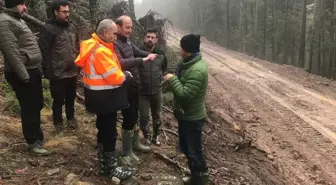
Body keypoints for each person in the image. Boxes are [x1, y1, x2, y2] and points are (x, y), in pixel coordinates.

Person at [75, 19, 133, 180]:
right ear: (106, 32)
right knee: (109, 132)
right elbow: (114, 77)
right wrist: (127, 76)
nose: (116, 36)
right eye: (114, 33)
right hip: (106, 98)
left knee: (103, 129)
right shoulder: (100, 51)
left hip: (97, 97)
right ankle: (110, 167)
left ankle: (103, 161)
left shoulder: (93, 46)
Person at [0, 0, 48, 154]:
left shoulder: (16, 19)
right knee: (29, 107)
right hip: (22, 72)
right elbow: (11, 52)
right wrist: (24, 76)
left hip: (31, 69)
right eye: (22, 4)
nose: (25, 7)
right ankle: (32, 142)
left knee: (37, 104)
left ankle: (37, 137)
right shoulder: (4, 22)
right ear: (14, 5)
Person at [163, 34, 209, 185]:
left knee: (194, 150)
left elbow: (185, 96)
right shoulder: (188, 63)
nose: (180, 50)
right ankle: (195, 177)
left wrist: (172, 79)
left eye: (182, 48)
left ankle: (201, 179)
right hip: (185, 115)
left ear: (188, 50)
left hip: (193, 118)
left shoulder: (196, 70)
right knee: (187, 147)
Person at [114, 15, 156, 164]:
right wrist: (141, 60)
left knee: (135, 115)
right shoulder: (115, 43)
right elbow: (121, 63)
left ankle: (135, 143)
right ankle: (127, 151)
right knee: (128, 116)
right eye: (127, 27)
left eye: (131, 27)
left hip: (135, 84)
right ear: (118, 27)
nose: (130, 30)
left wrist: (150, 55)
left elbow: (137, 51)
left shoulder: (127, 41)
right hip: (125, 87)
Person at [39, 0, 79, 132]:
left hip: (72, 71)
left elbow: (77, 47)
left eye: (68, 11)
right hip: (57, 72)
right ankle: (58, 124)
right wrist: (48, 72)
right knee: (58, 100)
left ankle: (71, 119)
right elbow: (44, 51)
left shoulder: (72, 27)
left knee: (71, 98)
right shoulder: (48, 28)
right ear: (56, 12)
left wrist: (79, 64)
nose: (67, 14)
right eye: (64, 11)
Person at [138, 28, 167, 146]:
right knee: (144, 117)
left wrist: (160, 78)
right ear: (145, 38)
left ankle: (156, 136)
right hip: (142, 92)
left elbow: (164, 68)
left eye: (152, 37)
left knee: (157, 116)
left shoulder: (161, 53)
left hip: (156, 91)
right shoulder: (138, 52)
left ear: (156, 40)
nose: (150, 39)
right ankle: (147, 136)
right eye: (148, 37)